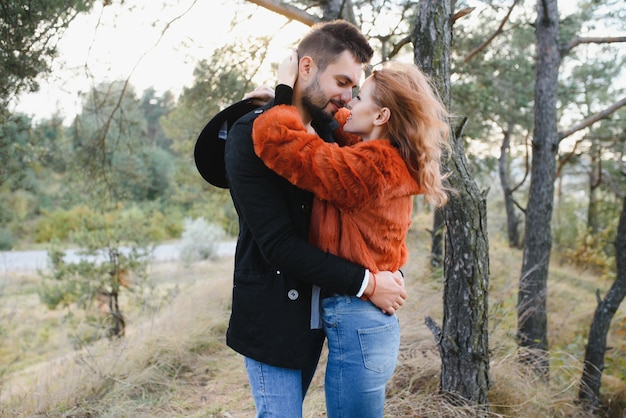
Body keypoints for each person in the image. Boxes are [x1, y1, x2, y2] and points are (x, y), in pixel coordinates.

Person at [223, 20, 407, 418]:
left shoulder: (328, 135)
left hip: (326, 315)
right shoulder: (248, 133)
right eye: (342, 81)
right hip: (274, 318)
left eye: (354, 88)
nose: (347, 97)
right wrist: (368, 283)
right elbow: (279, 246)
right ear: (306, 68)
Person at [251, 55, 450, 417]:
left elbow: (280, 143)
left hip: (360, 318)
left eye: (359, 97)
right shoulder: (381, 154)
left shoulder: (371, 168)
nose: (349, 102)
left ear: (381, 117)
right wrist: (298, 101)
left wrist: (283, 95)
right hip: (366, 320)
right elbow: (339, 122)